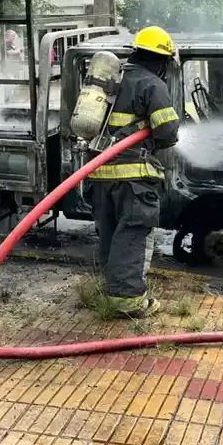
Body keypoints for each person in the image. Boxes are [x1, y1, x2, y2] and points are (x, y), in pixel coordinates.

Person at [88, 26, 181, 318]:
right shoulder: (152, 84)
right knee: (132, 236)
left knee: (111, 235)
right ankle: (128, 303)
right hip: (132, 178)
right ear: (160, 60)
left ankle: (113, 291)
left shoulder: (113, 80)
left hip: (99, 174)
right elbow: (167, 130)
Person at [3, 29, 25, 103]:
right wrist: (17, 51)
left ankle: (11, 99)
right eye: (12, 36)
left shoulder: (14, 43)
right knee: (10, 84)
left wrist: (17, 40)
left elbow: (21, 49)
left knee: (14, 83)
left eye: (14, 36)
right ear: (8, 36)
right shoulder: (7, 44)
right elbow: (10, 52)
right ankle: (8, 100)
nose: (14, 37)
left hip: (15, 66)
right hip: (8, 67)